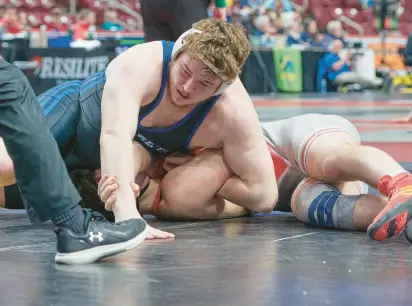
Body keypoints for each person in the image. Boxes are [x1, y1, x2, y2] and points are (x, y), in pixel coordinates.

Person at [0, 19, 278, 237]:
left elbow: (265, 196)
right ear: (178, 51)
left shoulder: (233, 113)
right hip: (75, 118)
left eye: (205, 85)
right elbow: (114, 135)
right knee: (6, 166)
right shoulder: (142, 63)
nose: (187, 87)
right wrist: (129, 218)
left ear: (223, 88)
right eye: (185, 71)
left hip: (98, 177)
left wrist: (220, 188)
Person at [98, 113, 412, 242]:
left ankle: (400, 182)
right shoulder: (175, 199)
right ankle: (406, 218)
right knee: (311, 206)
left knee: (327, 163)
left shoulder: (154, 145)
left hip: (293, 141)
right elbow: (254, 204)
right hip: (291, 189)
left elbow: (130, 149)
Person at [0, 60, 147, 265]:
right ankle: (74, 226)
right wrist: (128, 211)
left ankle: (74, 225)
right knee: (9, 83)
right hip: (77, 105)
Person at [140, 0, 227, 42]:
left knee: (157, 53)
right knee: (195, 50)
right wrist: (220, 4)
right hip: (185, 4)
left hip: (150, 4)